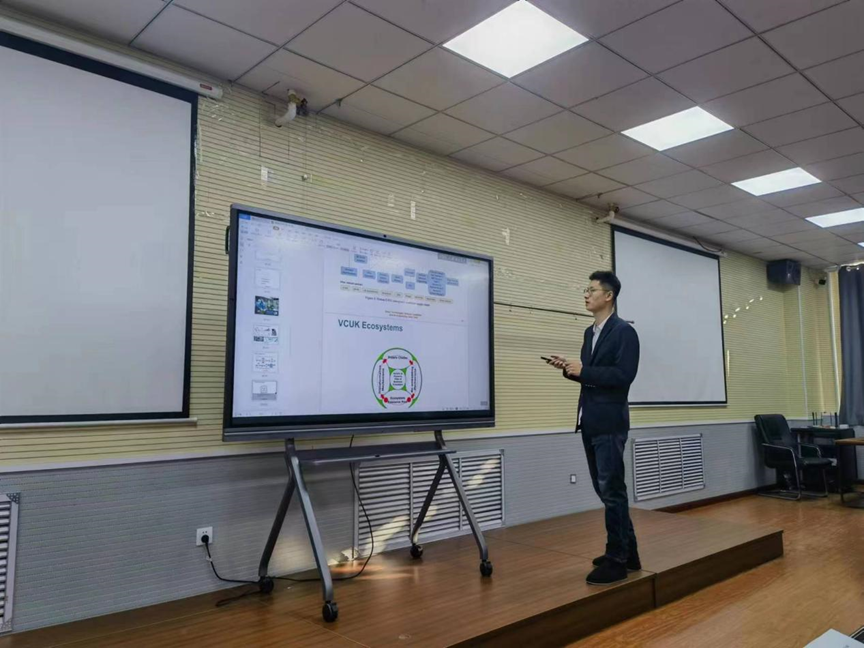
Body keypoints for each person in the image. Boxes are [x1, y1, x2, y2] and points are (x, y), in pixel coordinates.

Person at [547, 270, 641, 585]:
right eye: (585, 290)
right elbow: (591, 376)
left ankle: (617, 560)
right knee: (605, 490)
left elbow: (623, 376)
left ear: (608, 296)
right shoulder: (590, 333)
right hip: (589, 420)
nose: (586, 295)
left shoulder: (624, 332)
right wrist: (569, 368)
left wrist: (584, 369)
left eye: (591, 290)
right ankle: (629, 553)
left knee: (612, 491)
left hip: (610, 423)